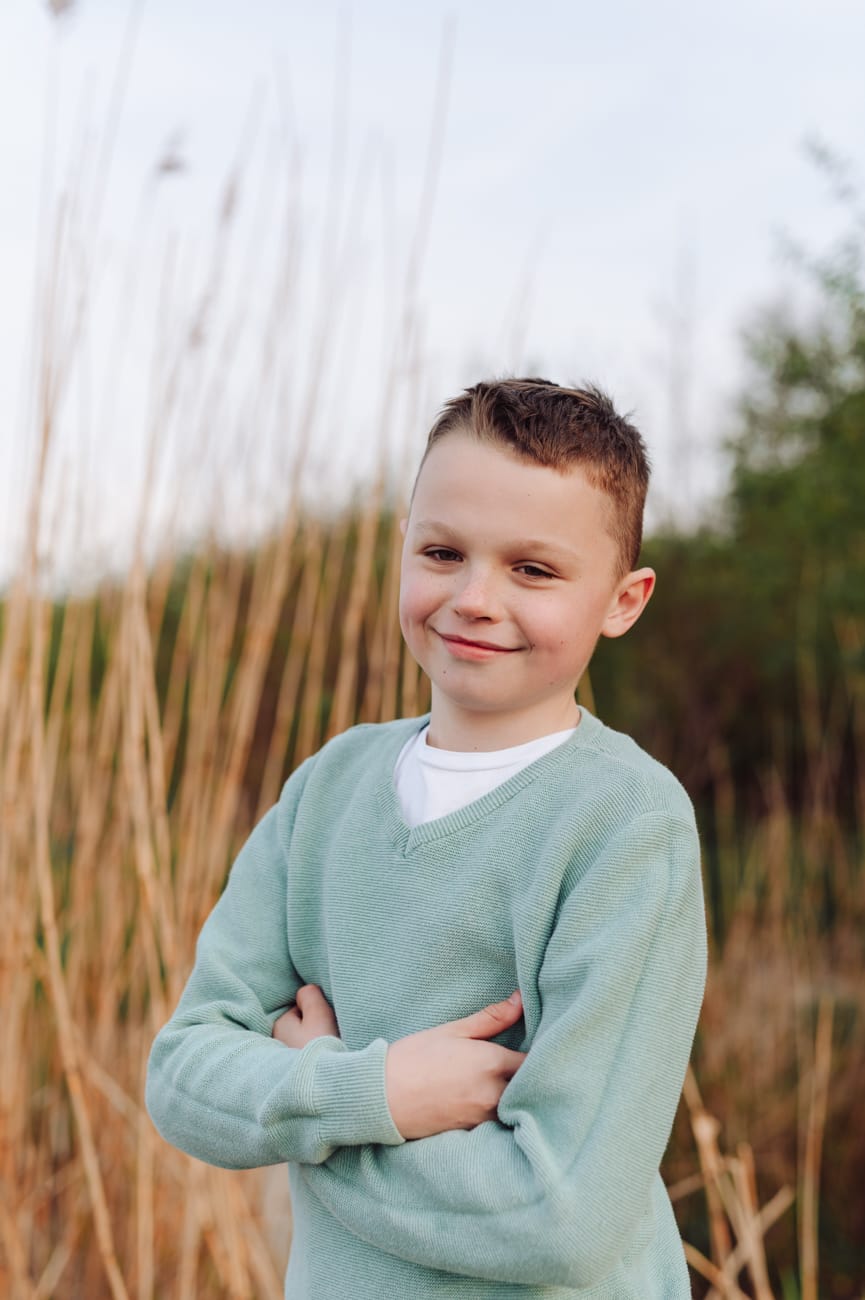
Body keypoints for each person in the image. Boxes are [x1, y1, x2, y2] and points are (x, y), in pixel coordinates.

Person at [146, 377, 707, 1298]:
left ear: (623, 600)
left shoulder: (625, 824)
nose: (475, 598)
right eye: (443, 552)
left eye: (533, 570)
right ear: (402, 546)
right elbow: (182, 1077)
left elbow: (557, 1215)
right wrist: (376, 1093)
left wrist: (312, 1110)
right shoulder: (328, 789)